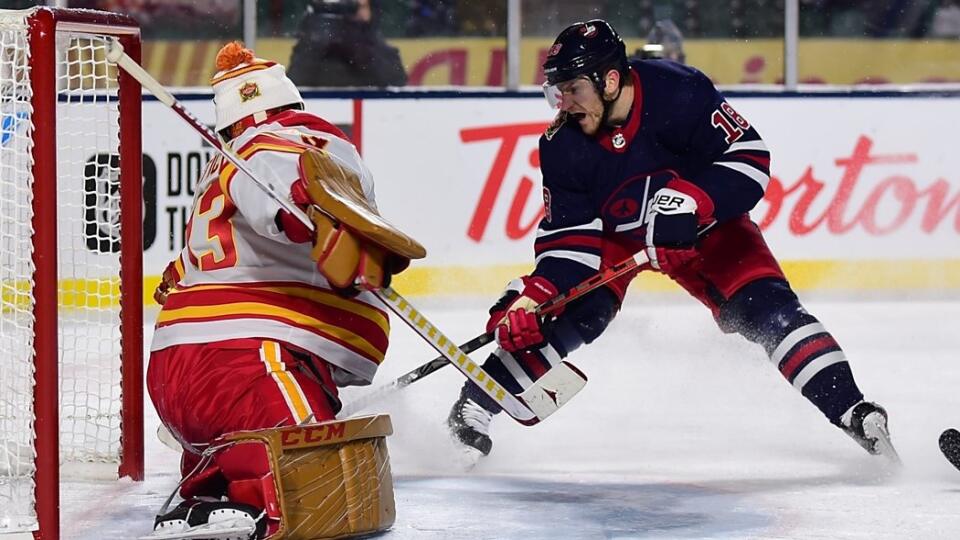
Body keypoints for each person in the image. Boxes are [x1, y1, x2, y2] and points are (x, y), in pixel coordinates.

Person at [446, 19, 900, 466]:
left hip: (704, 227)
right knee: (578, 311)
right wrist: (535, 296)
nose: (562, 104)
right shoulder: (562, 143)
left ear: (609, 79)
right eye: (556, 91)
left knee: (769, 309)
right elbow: (571, 239)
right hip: (617, 236)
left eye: (572, 89)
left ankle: (854, 412)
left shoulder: (679, 91)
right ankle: (474, 405)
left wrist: (692, 201)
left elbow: (750, 157)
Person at [146, 42, 418, 538]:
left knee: (237, 501)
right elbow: (282, 182)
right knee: (319, 502)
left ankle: (208, 494)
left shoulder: (226, 162)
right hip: (248, 362)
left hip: (178, 376)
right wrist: (303, 208)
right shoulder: (285, 138)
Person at [287, 0, 407, 87]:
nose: (344, 13)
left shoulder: (377, 47)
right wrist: (314, 42)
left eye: (353, 6)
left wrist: (357, 41)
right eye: (336, 7)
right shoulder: (312, 43)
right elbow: (295, 82)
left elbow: (396, 82)